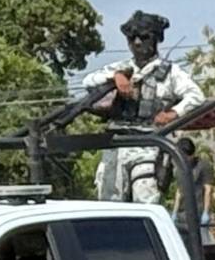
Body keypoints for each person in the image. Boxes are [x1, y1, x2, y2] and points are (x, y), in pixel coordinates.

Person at [81, 11, 205, 203]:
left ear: (155, 39)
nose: (137, 43)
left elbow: (196, 96)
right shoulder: (121, 67)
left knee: (146, 197)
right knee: (109, 201)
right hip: (116, 142)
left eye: (144, 37)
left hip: (149, 142)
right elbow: (88, 81)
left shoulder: (171, 72)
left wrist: (173, 113)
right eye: (132, 38)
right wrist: (116, 77)